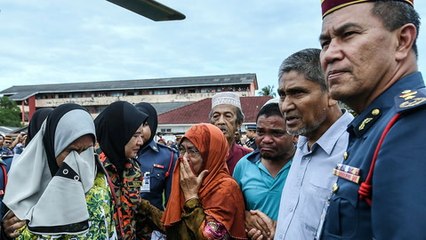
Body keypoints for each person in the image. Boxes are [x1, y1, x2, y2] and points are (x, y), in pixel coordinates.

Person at [319, 1, 425, 239]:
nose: (330, 55)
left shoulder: (413, 124)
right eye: (325, 43)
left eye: (349, 34)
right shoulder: (377, 123)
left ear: (402, 41)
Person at [271, 48, 353, 240]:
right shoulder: (301, 143)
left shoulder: (356, 148)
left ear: (332, 94)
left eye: (297, 93)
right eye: (282, 95)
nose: (285, 106)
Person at [2, 103, 117, 239]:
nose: (78, 161)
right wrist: (6, 232)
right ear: (53, 146)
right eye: (71, 151)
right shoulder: (20, 188)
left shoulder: (100, 184)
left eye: (86, 150)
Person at [140, 123, 247, 239]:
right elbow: (175, 226)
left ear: (210, 154)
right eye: (182, 150)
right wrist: (143, 206)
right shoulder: (190, 181)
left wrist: (191, 198)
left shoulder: (225, 187)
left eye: (192, 151)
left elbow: (210, 236)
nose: (185, 157)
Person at [233, 101, 296, 238]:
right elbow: (233, 208)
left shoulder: (304, 165)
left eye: (276, 133)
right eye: (260, 132)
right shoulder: (243, 165)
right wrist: (246, 217)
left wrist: (281, 229)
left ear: (294, 134)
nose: (266, 140)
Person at [94, 100, 149, 240]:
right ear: (118, 133)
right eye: (135, 135)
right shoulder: (93, 167)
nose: (140, 142)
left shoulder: (133, 168)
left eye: (141, 136)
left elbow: (136, 215)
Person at [134, 102, 178, 239]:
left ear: (153, 126)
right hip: (124, 226)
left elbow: (172, 201)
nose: (140, 129)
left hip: (152, 228)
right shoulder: (122, 152)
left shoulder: (168, 156)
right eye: (136, 123)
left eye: (145, 124)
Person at [209, 92, 252, 174]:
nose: (221, 122)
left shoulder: (249, 157)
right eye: (216, 116)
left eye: (228, 116)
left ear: (239, 123)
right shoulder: (201, 156)